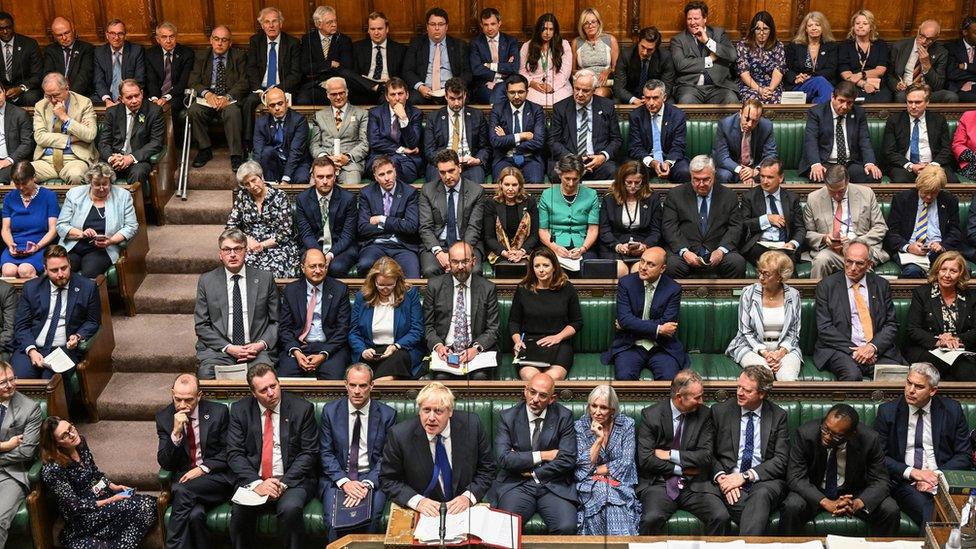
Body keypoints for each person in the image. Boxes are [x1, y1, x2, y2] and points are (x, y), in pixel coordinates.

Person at [226, 364, 318, 549]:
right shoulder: (240, 410)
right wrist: (258, 483)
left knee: (290, 510)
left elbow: (309, 453)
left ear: (278, 382)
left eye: (273, 386)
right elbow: (234, 454)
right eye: (263, 390)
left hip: (292, 481)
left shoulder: (302, 409)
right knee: (239, 513)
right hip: (254, 481)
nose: (271, 393)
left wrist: (281, 484)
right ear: (253, 393)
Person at [874, 363, 973, 534]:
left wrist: (935, 476)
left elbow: (964, 455)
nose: (910, 390)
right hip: (905, 482)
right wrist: (914, 473)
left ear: (933, 391)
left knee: (964, 512)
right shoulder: (888, 412)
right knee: (931, 511)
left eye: (919, 386)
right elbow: (879, 457)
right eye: (908, 383)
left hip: (943, 479)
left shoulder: (952, 410)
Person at [780, 404, 900, 536]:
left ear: (851, 434)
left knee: (890, 509)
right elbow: (795, 477)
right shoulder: (806, 434)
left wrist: (858, 503)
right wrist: (825, 502)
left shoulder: (869, 439)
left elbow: (881, 480)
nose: (826, 437)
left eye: (836, 436)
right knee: (792, 505)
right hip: (815, 492)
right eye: (825, 429)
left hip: (853, 494)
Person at [379, 382, 496, 516]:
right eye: (426, 410)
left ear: (450, 412)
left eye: (438, 411)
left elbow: (487, 469)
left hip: (464, 507)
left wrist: (468, 497)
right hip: (423, 508)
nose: (431, 418)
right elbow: (388, 479)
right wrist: (418, 502)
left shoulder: (472, 425)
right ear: (419, 409)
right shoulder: (400, 435)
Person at [40, 416, 157, 548]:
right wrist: (111, 500)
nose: (72, 434)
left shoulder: (80, 443)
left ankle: (107, 542)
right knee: (143, 507)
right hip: (85, 514)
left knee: (152, 504)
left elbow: (94, 472)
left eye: (70, 428)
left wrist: (113, 486)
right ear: (56, 443)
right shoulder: (53, 470)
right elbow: (74, 506)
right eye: (64, 435)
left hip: (101, 494)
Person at [637, 370, 727, 534]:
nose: (701, 401)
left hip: (695, 485)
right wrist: (679, 469)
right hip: (660, 484)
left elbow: (706, 456)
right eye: (697, 397)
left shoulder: (705, 414)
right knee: (651, 518)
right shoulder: (651, 415)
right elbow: (646, 460)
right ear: (679, 397)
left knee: (720, 516)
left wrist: (670, 454)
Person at [155, 373, 234, 549]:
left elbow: (230, 452)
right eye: (178, 399)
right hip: (186, 481)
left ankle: (172, 546)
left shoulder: (218, 412)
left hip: (215, 479)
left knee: (183, 491)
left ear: (199, 395)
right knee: (194, 516)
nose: (182, 405)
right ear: (172, 393)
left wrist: (203, 468)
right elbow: (166, 463)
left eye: (189, 400)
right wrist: (175, 433)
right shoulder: (164, 418)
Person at [319, 364, 397, 542]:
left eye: (362, 386)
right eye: (352, 385)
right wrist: (345, 482)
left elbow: (388, 457)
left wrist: (367, 484)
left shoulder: (387, 415)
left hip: (372, 478)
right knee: (334, 520)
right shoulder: (330, 412)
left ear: (372, 386)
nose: (357, 391)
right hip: (338, 478)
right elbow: (325, 452)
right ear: (345, 385)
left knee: (370, 518)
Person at [710, 366, 790, 535]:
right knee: (756, 513)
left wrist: (744, 476)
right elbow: (708, 453)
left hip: (764, 482)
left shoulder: (778, 415)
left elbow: (781, 460)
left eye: (746, 390)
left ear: (762, 393)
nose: (739, 393)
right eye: (738, 387)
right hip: (729, 481)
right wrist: (723, 478)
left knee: (761, 495)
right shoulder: (720, 411)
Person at [495, 373, 577, 533]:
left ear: (552, 399)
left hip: (553, 484)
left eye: (542, 395)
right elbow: (504, 458)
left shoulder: (564, 416)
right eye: (532, 392)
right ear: (525, 391)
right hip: (517, 484)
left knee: (566, 527)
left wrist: (532, 471)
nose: (535, 399)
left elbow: (567, 459)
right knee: (506, 527)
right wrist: (544, 455)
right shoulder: (508, 417)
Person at [194, 228, 278, 380]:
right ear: (220, 254)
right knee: (205, 375)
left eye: (237, 249)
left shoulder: (265, 279)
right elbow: (201, 325)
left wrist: (260, 345)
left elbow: (276, 322)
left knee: (265, 377)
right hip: (220, 352)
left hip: (256, 351)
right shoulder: (207, 281)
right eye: (227, 250)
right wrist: (229, 348)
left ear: (245, 251)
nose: (232, 254)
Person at [814, 242, 905, 381]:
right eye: (849, 262)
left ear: (869, 264)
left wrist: (872, 347)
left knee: (898, 376)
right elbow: (825, 328)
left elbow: (891, 324)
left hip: (876, 350)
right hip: (840, 350)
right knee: (852, 376)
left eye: (859, 264)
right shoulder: (827, 286)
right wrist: (858, 351)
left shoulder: (881, 285)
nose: (853, 268)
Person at [11, 245, 99, 385]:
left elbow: (93, 321)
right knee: (19, 379)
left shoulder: (87, 287)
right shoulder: (31, 287)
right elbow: (21, 325)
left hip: (63, 349)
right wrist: (32, 350)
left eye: (64, 268)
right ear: (45, 269)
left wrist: (78, 336)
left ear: (70, 264)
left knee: (51, 382)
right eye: (54, 270)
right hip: (32, 346)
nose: (60, 274)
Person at [604, 246, 690, 381]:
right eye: (642, 261)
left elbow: (668, 321)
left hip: (661, 347)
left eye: (651, 264)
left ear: (662, 268)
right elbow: (625, 319)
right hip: (631, 345)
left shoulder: (674, 289)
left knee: (669, 379)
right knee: (624, 377)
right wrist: (659, 329)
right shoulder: (626, 283)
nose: (643, 267)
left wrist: (630, 325)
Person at [422, 242, 499, 381]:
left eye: (465, 261)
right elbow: (428, 326)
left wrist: (476, 348)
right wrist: (439, 346)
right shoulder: (434, 286)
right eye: (455, 262)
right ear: (449, 263)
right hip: (445, 352)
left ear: (474, 261)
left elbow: (493, 329)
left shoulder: (487, 288)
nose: (460, 267)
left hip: (476, 352)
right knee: (441, 378)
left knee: (479, 378)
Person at [662, 154, 746, 278]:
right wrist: (684, 251)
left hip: (717, 251)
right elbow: (669, 227)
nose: (701, 184)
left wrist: (721, 250)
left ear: (714, 175)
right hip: (687, 252)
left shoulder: (729, 196)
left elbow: (736, 227)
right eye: (696, 179)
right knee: (672, 265)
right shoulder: (675, 195)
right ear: (690, 176)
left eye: (706, 179)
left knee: (737, 263)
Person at [726, 251, 803, 381]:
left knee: (787, 378)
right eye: (760, 272)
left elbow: (794, 332)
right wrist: (765, 353)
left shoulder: (793, 295)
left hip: (784, 349)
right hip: (751, 347)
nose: (761, 277)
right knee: (763, 376)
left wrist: (780, 353)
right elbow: (745, 331)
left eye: (766, 274)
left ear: (780, 276)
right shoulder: (748, 293)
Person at [509, 247, 582, 382]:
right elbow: (514, 322)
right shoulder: (523, 289)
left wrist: (558, 337)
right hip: (529, 343)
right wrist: (517, 341)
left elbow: (577, 322)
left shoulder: (567, 288)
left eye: (546, 265)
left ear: (554, 266)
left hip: (559, 343)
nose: (541, 270)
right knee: (532, 378)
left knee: (552, 378)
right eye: (537, 266)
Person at [803, 164, 889, 279]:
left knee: (860, 262)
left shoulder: (866, 194)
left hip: (861, 247)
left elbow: (880, 227)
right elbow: (807, 233)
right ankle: (818, 296)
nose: (837, 196)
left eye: (841, 191)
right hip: (831, 251)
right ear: (826, 184)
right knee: (821, 260)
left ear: (847, 182)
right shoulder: (814, 198)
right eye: (832, 192)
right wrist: (824, 238)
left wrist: (855, 242)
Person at [575, 384, 640, 535]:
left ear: (612, 410)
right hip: (589, 484)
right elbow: (583, 465)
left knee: (610, 496)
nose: (597, 412)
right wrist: (598, 440)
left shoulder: (626, 424)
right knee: (602, 493)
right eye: (594, 406)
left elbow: (626, 462)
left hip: (621, 481)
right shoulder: (579, 427)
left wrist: (596, 470)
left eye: (603, 407)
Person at [57, 162, 138, 279]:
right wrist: (82, 234)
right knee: (62, 272)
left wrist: (111, 240)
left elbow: (131, 226)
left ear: (110, 181)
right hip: (74, 246)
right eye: (96, 184)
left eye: (105, 184)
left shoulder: (123, 196)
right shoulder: (74, 194)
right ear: (90, 182)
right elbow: (61, 225)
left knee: (89, 273)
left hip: (103, 249)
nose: (101, 188)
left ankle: (85, 297)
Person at [278, 249, 350, 380]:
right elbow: (285, 328)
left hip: (329, 347)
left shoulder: (340, 289)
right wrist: (296, 352)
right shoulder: (291, 290)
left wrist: (323, 354)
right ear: (302, 267)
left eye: (321, 266)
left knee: (333, 383)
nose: (318, 270)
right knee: (285, 379)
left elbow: (342, 329)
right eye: (312, 266)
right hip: (299, 347)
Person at [904, 252, 976, 381]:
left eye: (953, 271)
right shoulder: (922, 294)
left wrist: (956, 339)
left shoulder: (971, 296)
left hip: (960, 351)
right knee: (956, 367)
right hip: (928, 349)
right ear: (937, 271)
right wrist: (940, 341)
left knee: (965, 367)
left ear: (960, 274)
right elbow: (913, 329)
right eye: (943, 270)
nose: (947, 275)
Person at [349, 257, 424, 380]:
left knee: (398, 359)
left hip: (400, 349)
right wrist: (363, 350)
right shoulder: (362, 297)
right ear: (373, 281)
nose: (385, 289)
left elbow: (417, 330)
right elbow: (354, 332)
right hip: (371, 351)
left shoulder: (409, 295)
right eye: (381, 284)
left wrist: (396, 346)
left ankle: (374, 387)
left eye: (390, 285)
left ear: (397, 280)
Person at [883, 166, 963, 278]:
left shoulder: (949, 200)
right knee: (912, 271)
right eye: (925, 192)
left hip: (939, 253)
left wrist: (941, 246)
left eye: (934, 193)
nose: (929, 197)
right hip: (909, 253)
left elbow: (955, 232)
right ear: (919, 186)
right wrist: (908, 247)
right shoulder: (902, 199)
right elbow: (891, 233)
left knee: (960, 270)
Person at [225, 161, 300, 278]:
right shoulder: (242, 196)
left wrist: (262, 245)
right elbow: (231, 225)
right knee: (242, 269)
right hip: (250, 245)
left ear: (262, 177)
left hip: (277, 245)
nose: (252, 186)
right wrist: (247, 240)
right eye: (247, 184)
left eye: (254, 180)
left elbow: (285, 232)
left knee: (271, 273)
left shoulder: (280, 196)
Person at [186, 25, 247, 170]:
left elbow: (244, 82)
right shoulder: (201, 56)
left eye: (224, 40)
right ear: (210, 40)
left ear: (230, 43)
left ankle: (236, 155)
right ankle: (205, 149)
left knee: (233, 112)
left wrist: (227, 96)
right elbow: (193, 82)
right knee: (194, 110)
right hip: (209, 96)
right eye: (216, 39)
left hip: (229, 97)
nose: (220, 43)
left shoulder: (239, 56)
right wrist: (207, 94)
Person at [241, 7, 301, 150]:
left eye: (274, 21)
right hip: (261, 89)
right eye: (267, 22)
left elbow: (296, 73)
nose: (271, 25)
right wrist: (259, 90)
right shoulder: (256, 41)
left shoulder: (292, 43)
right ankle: (248, 145)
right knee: (249, 102)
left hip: (283, 87)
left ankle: (287, 143)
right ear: (262, 26)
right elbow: (251, 68)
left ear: (281, 23)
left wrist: (276, 90)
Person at [798, 81, 882, 184]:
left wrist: (870, 163)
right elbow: (811, 141)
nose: (845, 106)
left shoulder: (858, 113)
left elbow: (864, 140)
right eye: (841, 101)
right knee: (819, 177)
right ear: (832, 96)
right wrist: (815, 164)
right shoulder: (817, 112)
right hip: (824, 163)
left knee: (873, 177)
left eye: (849, 102)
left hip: (849, 164)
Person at [419, 149, 485, 278]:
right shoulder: (428, 190)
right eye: (442, 172)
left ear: (459, 168)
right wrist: (439, 252)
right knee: (430, 270)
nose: (447, 176)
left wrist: (458, 254)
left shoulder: (476, 191)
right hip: (438, 244)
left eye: (451, 171)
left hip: (466, 242)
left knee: (474, 270)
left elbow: (474, 228)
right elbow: (425, 228)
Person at [548, 69, 621, 181]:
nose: (580, 94)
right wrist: (573, 159)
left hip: (597, 161)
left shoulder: (607, 106)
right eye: (577, 89)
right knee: (555, 173)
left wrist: (602, 157)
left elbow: (616, 140)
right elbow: (553, 141)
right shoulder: (560, 108)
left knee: (612, 171)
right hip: (569, 160)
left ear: (594, 90)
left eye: (586, 90)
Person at [356, 155, 421, 278]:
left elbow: (411, 227)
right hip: (375, 245)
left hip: (403, 246)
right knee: (365, 264)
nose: (387, 178)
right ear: (375, 177)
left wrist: (382, 220)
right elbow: (363, 228)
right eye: (381, 175)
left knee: (413, 274)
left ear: (395, 171)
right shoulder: (366, 193)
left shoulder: (409, 193)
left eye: (389, 172)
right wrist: (397, 224)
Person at [294, 156, 358, 277]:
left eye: (329, 176)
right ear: (313, 177)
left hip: (340, 249)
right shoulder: (302, 199)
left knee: (336, 267)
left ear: (335, 176)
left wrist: (330, 254)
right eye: (320, 177)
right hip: (313, 246)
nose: (325, 181)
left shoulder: (348, 199)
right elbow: (306, 234)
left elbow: (348, 235)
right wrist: (319, 256)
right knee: (309, 266)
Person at [96, 79, 165, 187]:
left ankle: (135, 204)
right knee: (99, 173)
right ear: (121, 99)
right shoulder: (112, 112)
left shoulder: (154, 112)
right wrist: (111, 158)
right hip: (114, 158)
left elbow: (156, 143)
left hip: (138, 160)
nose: (134, 100)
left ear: (142, 94)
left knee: (138, 173)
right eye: (129, 97)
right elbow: (104, 142)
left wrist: (130, 158)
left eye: (137, 95)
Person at [0, 360, 40, 548]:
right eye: (2, 382)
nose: (9, 385)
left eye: (11, 379)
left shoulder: (29, 408)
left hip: (12, 473)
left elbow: (26, 451)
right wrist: (6, 445)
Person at [882, 84, 957, 183]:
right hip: (904, 167)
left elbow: (946, 150)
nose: (913, 106)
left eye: (917, 102)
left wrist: (932, 166)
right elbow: (889, 151)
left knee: (951, 181)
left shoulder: (938, 120)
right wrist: (912, 166)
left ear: (927, 102)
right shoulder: (894, 120)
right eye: (910, 102)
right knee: (901, 180)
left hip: (933, 165)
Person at [31, 72, 97, 184]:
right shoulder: (40, 106)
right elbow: (40, 137)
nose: (52, 100)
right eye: (48, 96)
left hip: (75, 159)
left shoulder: (84, 103)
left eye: (56, 95)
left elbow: (89, 135)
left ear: (66, 88)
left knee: (76, 175)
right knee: (20, 173)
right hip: (46, 161)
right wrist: (71, 139)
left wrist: (65, 117)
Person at [599, 161, 662, 277]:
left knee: (639, 271)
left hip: (642, 247)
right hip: (614, 247)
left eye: (637, 182)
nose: (633, 186)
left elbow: (656, 231)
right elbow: (604, 230)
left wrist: (644, 246)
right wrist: (618, 246)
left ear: (643, 182)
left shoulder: (653, 199)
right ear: (622, 181)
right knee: (620, 271)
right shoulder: (610, 199)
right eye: (629, 182)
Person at [421, 77, 489, 183]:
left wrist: (477, 160)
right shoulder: (434, 118)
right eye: (452, 99)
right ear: (446, 96)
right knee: (436, 187)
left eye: (460, 98)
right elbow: (429, 150)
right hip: (442, 164)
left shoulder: (477, 116)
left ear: (465, 95)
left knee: (476, 188)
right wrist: (446, 162)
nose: (456, 103)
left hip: (470, 164)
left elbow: (485, 147)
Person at [670, 1, 739, 104]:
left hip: (718, 87)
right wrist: (709, 59)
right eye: (689, 19)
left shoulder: (718, 34)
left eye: (696, 18)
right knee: (686, 100)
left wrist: (707, 41)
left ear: (705, 19)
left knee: (731, 99)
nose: (692, 22)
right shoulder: (678, 40)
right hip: (690, 87)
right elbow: (681, 65)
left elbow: (732, 56)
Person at [538, 155, 600, 268]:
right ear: (560, 174)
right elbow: (543, 230)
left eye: (575, 179)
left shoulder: (591, 195)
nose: (571, 183)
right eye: (567, 178)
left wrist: (583, 249)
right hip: (554, 244)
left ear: (581, 176)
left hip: (583, 245)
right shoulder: (547, 195)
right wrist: (555, 248)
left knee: (591, 268)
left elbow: (592, 229)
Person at [740, 158, 805, 265]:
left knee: (784, 260)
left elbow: (800, 228)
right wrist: (767, 219)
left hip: (785, 247)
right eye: (762, 176)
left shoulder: (792, 198)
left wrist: (792, 244)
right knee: (773, 260)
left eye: (770, 177)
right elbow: (743, 224)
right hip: (759, 246)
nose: (765, 181)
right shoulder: (749, 197)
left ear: (780, 178)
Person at [402, 7, 470, 105]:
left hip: (452, 91)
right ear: (427, 26)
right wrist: (420, 87)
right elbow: (407, 71)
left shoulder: (459, 45)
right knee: (413, 99)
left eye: (441, 24)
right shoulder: (416, 44)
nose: (437, 28)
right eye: (433, 24)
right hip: (424, 91)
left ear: (447, 26)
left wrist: (454, 88)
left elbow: (467, 73)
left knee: (462, 99)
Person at [1, 162, 58, 278]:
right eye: (17, 184)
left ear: (33, 178)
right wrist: (10, 244)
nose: (21, 187)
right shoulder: (9, 198)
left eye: (24, 183)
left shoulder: (49, 196)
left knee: (25, 270)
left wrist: (37, 246)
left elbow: (53, 230)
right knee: (8, 271)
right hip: (15, 246)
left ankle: (35, 295)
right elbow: (5, 229)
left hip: (40, 245)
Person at [309, 77, 369, 185]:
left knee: (351, 190)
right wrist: (326, 158)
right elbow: (314, 145)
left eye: (341, 93)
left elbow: (365, 143)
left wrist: (347, 157)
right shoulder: (319, 116)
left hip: (350, 165)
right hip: (324, 163)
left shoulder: (362, 114)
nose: (338, 97)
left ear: (347, 92)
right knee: (313, 191)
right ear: (327, 95)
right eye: (333, 94)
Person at [629, 80, 690, 183]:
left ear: (664, 97)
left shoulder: (677, 115)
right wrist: (652, 162)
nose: (651, 103)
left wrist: (668, 162)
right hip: (645, 160)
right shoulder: (636, 116)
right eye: (647, 98)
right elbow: (635, 147)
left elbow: (678, 145)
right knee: (632, 172)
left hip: (670, 158)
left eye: (655, 98)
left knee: (684, 171)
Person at [365, 77, 424, 184]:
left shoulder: (416, 113)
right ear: (387, 97)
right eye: (393, 94)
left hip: (406, 160)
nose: (397, 98)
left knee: (394, 168)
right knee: (386, 168)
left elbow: (412, 143)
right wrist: (401, 149)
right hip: (380, 157)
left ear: (407, 95)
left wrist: (404, 118)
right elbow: (374, 141)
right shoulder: (375, 113)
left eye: (400, 93)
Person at [488, 74, 546, 182]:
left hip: (530, 158)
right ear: (506, 92)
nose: (516, 96)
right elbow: (495, 141)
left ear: (527, 92)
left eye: (520, 92)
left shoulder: (536, 110)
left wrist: (507, 139)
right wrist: (522, 136)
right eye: (512, 92)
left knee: (536, 182)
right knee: (501, 186)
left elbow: (539, 142)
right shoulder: (498, 110)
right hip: (504, 158)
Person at [483, 167, 538, 273]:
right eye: (507, 184)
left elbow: (534, 235)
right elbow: (489, 237)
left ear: (520, 186)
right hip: (500, 252)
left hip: (525, 251)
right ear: (500, 185)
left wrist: (521, 252)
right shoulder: (492, 204)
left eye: (514, 185)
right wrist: (506, 253)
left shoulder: (529, 202)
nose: (510, 189)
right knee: (505, 268)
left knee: (526, 268)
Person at [345, 11, 407, 105]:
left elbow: (403, 75)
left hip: (386, 88)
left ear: (387, 29)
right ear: (368, 30)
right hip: (364, 87)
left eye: (380, 29)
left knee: (388, 97)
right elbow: (353, 74)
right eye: (373, 29)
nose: (376, 32)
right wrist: (370, 85)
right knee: (344, 73)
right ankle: (375, 86)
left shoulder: (400, 49)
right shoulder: (357, 48)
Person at [295, 5, 353, 106]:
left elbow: (346, 67)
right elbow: (305, 67)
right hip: (314, 84)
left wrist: (323, 72)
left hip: (337, 85)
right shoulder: (307, 39)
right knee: (302, 100)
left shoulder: (344, 40)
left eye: (335, 21)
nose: (334, 25)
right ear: (318, 24)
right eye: (329, 22)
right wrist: (329, 64)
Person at [251, 87, 311, 184]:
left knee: (301, 179)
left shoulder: (299, 120)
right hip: (274, 164)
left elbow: (296, 152)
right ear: (267, 107)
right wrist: (257, 176)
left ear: (286, 102)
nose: (277, 108)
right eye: (272, 105)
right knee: (266, 151)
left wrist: (286, 179)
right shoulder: (261, 122)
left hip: (297, 163)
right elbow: (258, 151)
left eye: (280, 103)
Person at [887, 20, 956, 103]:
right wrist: (896, 84)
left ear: (936, 38)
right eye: (921, 36)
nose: (923, 41)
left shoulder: (941, 53)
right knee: (900, 96)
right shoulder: (899, 46)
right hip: (906, 90)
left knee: (951, 97)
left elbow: (938, 85)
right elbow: (889, 75)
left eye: (929, 39)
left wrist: (926, 65)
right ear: (918, 30)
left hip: (928, 92)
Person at [713, 99, 777, 184]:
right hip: (732, 167)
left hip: (754, 168)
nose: (750, 124)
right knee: (724, 175)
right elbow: (722, 157)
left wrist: (756, 170)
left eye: (755, 121)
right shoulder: (725, 124)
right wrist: (743, 171)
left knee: (774, 175)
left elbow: (771, 155)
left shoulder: (766, 126)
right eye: (747, 119)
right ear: (740, 113)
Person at [837, 10, 891, 103]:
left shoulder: (880, 44)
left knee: (884, 98)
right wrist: (863, 84)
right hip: (853, 84)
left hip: (876, 83)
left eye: (865, 23)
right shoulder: (845, 45)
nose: (860, 26)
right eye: (857, 23)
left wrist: (861, 74)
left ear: (871, 27)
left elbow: (881, 70)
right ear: (853, 27)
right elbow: (845, 73)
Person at [519, 14, 573, 107]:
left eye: (551, 29)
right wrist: (531, 83)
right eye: (544, 29)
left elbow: (565, 72)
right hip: (534, 86)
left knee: (560, 103)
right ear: (538, 30)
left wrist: (552, 86)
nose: (547, 33)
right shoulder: (527, 46)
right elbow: (522, 70)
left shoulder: (563, 45)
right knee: (533, 103)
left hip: (559, 86)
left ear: (555, 31)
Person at [144, 22, 194, 120]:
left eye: (172, 37)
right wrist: (155, 98)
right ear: (158, 39)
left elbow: (183, 83)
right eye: (164, 37)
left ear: (176, 37)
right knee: (146, 109)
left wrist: (166, 98)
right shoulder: (150, 54)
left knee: (166, 109)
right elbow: (151, 80)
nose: (168, 41)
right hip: (156, 96)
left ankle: (169, 135)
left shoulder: (186, 53)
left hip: (176, 96)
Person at [469, 8, 520, 104]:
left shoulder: (511, 41)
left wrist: (489, 66)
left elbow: (514, 67)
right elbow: (476, 69)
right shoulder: (475, 43)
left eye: (493, 24)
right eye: (486, 25)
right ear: (481, 25)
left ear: (499, 23)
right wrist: (498, 75)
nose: (489, 28)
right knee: (495, 97)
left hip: (507, 83)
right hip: (485, 84)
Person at [784, 11, 836, 104]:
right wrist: (796, 78)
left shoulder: (831, 46)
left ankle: (815, 106)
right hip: (800, 85)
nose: (814, 28)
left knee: (820, 82)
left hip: (823, 84)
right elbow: (786, 68)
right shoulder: (795, 46)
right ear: (806, 29)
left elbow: (831, 69)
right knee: (822, 84)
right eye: (810, 25)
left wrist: (811, 76)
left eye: (817, 25)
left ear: (823, 28)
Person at [614, 26, 675, 104]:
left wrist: (651, 98)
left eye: (650, 50)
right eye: (642, 47)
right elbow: (618, 88)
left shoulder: (665, 57)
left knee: (670, 102)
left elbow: (667, 86)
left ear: (656, 48)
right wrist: (634, 100)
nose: (645, 52)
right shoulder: (626, 55)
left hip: (655, 95)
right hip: (632, 95)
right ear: (638, 42)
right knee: (616, 101)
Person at [735, 11, 786, 104]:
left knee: (776, 100)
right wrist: (759, 90)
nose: (761, 33)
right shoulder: (743, 45)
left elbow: (779, 70)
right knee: (753, 102)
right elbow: (743, 73)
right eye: (758, 29)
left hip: (771, 86)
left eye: (765, 29)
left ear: (771, 30)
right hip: (750, 85)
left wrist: (770, 89)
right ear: (753, 30)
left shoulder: (778, 46)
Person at [91, 19, 145, 106]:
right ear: (107, 35)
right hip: (106, 96)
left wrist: (122, 99)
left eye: (120, 34)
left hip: (129, 97)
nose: (116, 38)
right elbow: (98, 80)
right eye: (112, 33)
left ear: (125, 35)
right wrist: (107, 100)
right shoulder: (99, 52)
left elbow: (139, 79)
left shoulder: (136, 51)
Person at [41, 17, 94, 98]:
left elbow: (84, 76)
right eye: (59, 35)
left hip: (80, 95)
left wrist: (68, 96)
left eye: (67, 33)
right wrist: (57, 94)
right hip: (55, 95)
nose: (64, 38)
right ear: (54, 36)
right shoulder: (50, 51)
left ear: (73, 29)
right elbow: (48, 75)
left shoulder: (86, 48)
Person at [572, 8, 619, 98]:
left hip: (604, 85)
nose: (590, 26)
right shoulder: (576, 42)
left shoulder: (610, 40)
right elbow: (572, 71)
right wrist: (586, 74)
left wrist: (607, 71)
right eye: (586, 23)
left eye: (593, 22)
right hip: (584, 84)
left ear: (598, 23)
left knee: (598, 94)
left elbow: (617, 68)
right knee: (586, 93)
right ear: (582, 26)